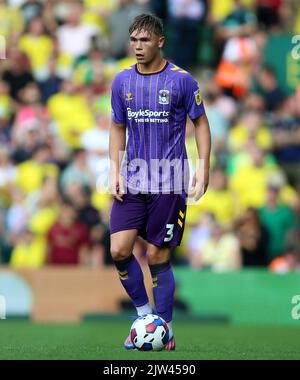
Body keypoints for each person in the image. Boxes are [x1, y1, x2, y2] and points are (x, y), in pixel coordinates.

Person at [109, 14, 211, 351]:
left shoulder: (182, 81)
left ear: (160, 41)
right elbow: (117, 126)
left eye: (145, 40)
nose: (138, 47)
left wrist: (204, 165)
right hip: (134, 181)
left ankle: (163, 328)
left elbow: (201, 123)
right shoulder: (122, 82)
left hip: (169, 183)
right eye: (134, 40)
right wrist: (115, 170)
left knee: (156, 256)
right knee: (119, 249)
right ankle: (143, 317)